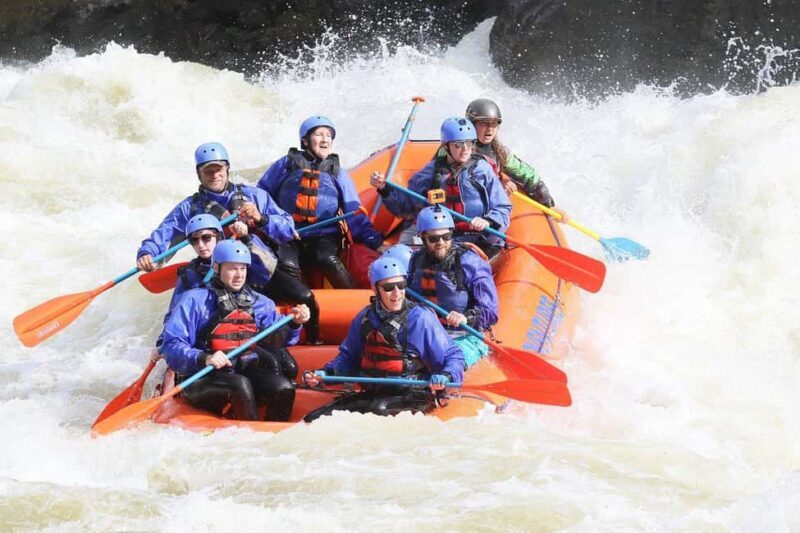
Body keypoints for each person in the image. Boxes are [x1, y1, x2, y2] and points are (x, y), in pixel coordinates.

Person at [161, 240, 310, 422]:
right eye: (232, 269)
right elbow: (171, 345)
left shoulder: (259, 302)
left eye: (243, 269)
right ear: (216, 268)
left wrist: (295, 323)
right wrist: (204, 357)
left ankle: (271, 436)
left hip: (241, 370)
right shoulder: (194, 300)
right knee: (240, 385)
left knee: (284, 387)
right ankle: (250, 436)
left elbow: (280, 340)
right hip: (200, 377)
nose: (239, 275)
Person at [302, 255, 465, 421]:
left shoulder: (420, 318)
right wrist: (326, 373)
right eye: (388, 287)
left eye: (401, 285)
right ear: (375, 289)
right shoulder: (364, 317)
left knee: (378, 410)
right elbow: (348, 357)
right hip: (373, 393)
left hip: (413, 393)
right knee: (314, 418)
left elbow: (453, 356)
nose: (397, 293)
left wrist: (446, 375)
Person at [258, 115, 384, 289]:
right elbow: (262, 195)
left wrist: (373, 240)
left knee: (326, 259)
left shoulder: (336, 171)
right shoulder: (285, 164)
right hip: (288, 233)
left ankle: (351, 295)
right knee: (287, 265)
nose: (325, 139)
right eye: (319, 134)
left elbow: (353, 209)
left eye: (329, 135)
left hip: (323, 235)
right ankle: (298, 305)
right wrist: (264, 222)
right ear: (305, 141)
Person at [136, 142, 295, 273]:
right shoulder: (189, 208)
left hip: (260, 262)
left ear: (227, 169)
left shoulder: (255, 196)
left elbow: (288, 228)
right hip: (220, 270)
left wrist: (261, 218)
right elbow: (165, 233)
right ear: (199, 175)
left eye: (218, 169)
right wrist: (148, 253)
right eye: (208, 171)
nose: (214, 175)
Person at [370, 117, 511, 260]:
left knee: (460, 265)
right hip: (441, 236)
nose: (465, 149)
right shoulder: (432, 171)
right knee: (401, 257)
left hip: (476, 236)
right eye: (458, 144)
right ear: (445, 146)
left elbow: (503, 206)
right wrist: (384, 189)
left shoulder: (482, 170)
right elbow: (406, 208)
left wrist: (488, 221)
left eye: (469, 143)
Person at [406, 206, 498, 367]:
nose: (441, 243)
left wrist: (466, 317)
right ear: (422, 237)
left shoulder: (470, 263)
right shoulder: (415, 260)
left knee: (448, 366)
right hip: (425, 334)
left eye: (446, 236)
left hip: (464, 336)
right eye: (434, 239)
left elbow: (491, 312)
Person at [465, 98, 569, 221]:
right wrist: (501, 184)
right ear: (471, 124)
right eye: (484, 123)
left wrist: (548, 205)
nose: (490, 129)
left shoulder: (500, 152)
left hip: (492, 210)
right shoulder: (459, 149)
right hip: (468, 207)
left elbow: (528, 176)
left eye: (494, 124)